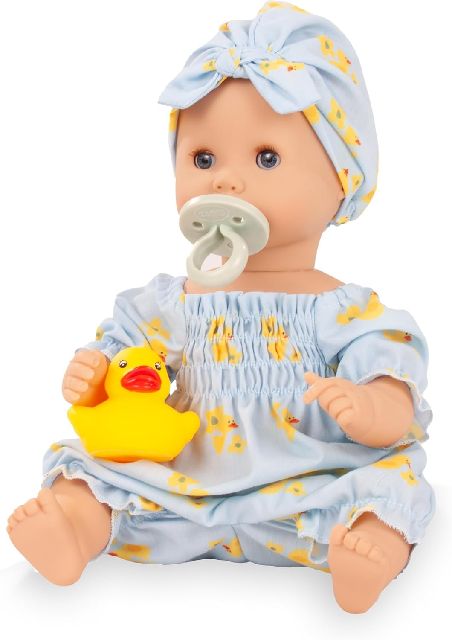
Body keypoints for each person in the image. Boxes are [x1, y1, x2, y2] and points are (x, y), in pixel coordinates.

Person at [6, 2, 434, 614]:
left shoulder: (341, 308)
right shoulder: (172, 300)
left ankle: (365, 556)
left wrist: (369, 409)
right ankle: (75, 526)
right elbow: (129, 359)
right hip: (182, 478)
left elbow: (394, 389)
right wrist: (96, 373)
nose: (224, 182)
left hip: (310, 483)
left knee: (387, 491)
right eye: (203, 159)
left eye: (266, 158)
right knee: (91, 475)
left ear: (343, 180)